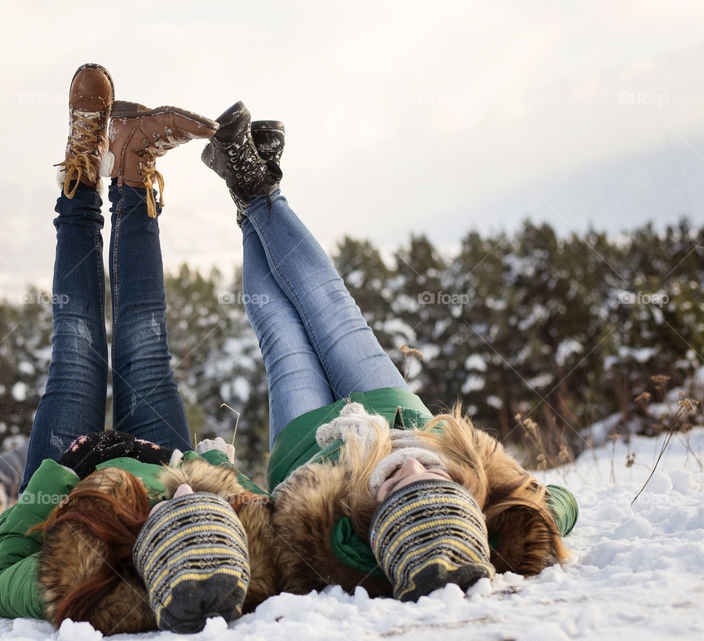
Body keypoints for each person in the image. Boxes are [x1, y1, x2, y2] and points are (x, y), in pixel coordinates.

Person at [201, 101, 579, 600]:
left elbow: (256, 534)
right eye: (439, 475)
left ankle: (251, 188)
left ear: (372, 521)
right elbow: (561, 501)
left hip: (304, 441)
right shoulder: (494, 510)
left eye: (399, 481)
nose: (415, 463)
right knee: (329, 305)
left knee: (278, 326)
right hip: (391, 407)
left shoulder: (324, 548)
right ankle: (256, 187)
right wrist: (539, 514)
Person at [0, 65, 280, 635]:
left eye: (179, 509)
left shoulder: (81, 575)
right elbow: (256, 501)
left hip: (68, 472)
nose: (189, 496)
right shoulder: (224, 534)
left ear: (149, 549)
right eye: (202, 507)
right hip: (161, 455)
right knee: (145, 335)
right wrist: (209, 473)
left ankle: (82, 166)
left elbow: (2, 566)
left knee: (76, 340)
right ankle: (131, 167)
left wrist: (59, 484)